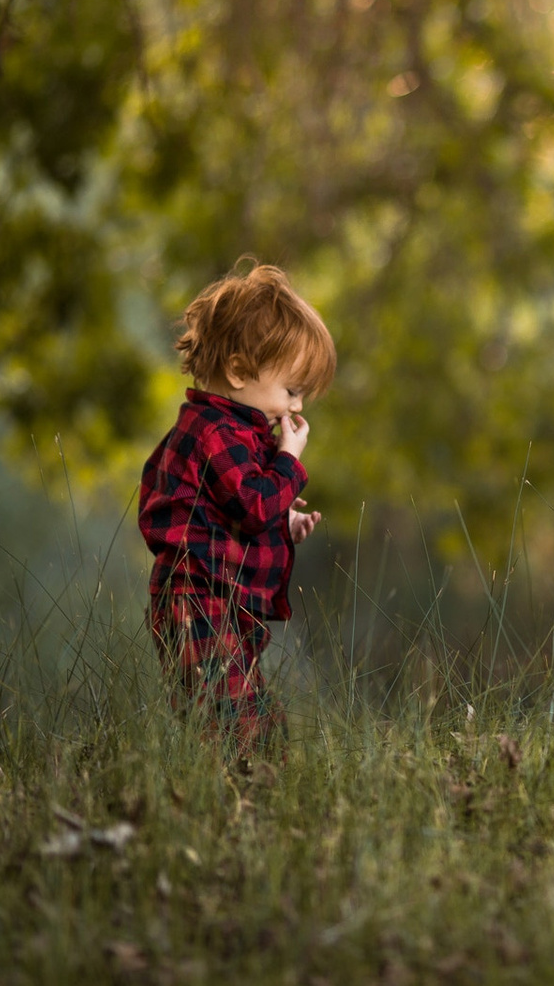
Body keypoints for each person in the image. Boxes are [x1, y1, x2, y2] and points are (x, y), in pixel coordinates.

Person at [138, 261, 335, 759]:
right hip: (197, 600)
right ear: (240, 371)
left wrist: (284, 523)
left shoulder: (235, 435)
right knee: (233, 727)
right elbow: (252, 505)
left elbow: (233, 512)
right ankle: (233, 810)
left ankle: (247, 807)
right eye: (291, 390)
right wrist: (289, 462)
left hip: (224, 601)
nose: (295, 409)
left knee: (254, 722)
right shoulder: (215, 434)